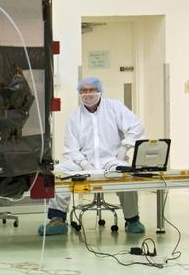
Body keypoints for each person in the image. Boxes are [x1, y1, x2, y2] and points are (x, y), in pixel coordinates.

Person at [40, 77, 146, 237]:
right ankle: (57, 219)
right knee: (59, 173)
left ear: (100, 91)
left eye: (91, 90)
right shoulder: (75, 117)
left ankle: (132, 220)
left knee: (126, 175)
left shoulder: (114, 107)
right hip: (84, 162)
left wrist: (123, 149)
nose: (88, 94)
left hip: (111, 160)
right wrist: (84, 164)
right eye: (84, 91)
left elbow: (137, 126)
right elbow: (71, 148)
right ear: (79, 93)